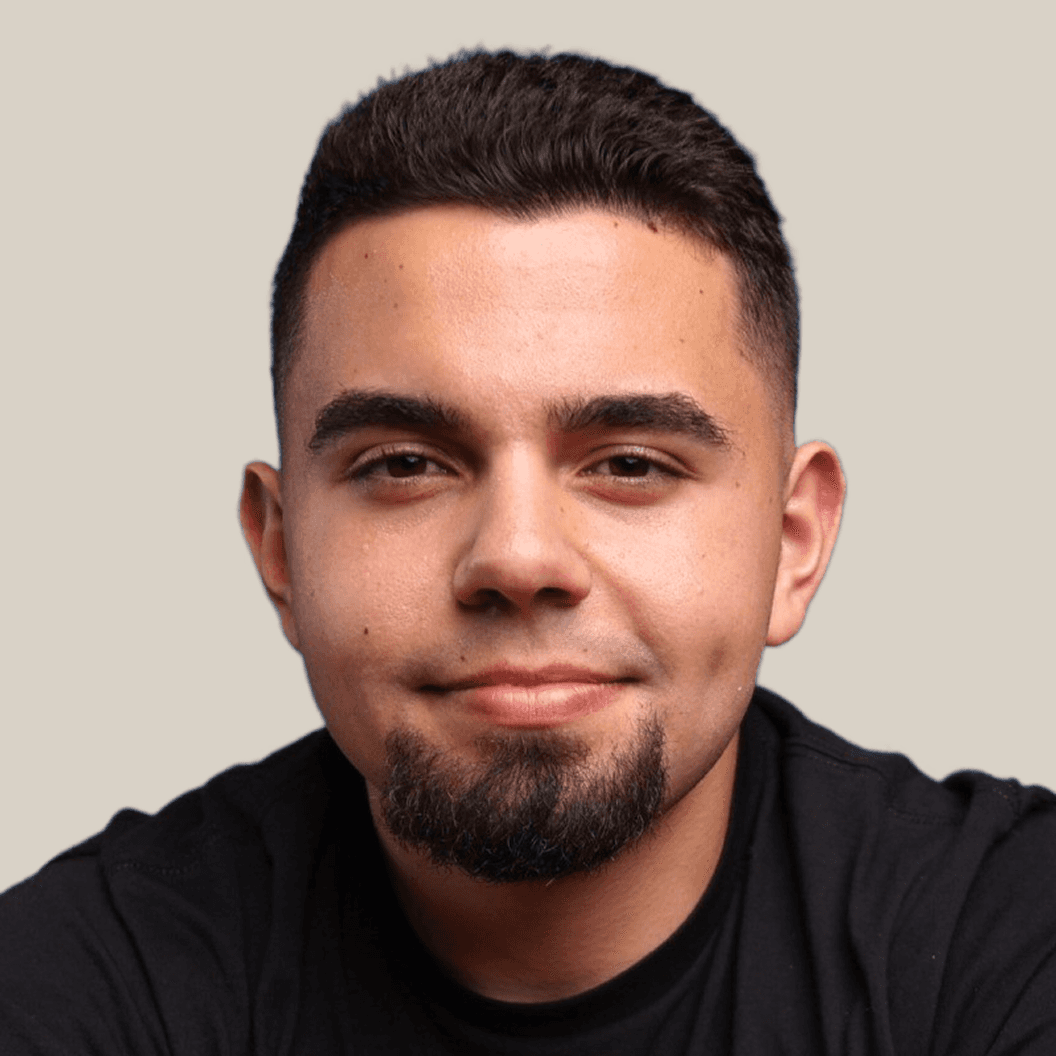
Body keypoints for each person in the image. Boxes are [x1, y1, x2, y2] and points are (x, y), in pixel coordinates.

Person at [1, 48, 1053, 1055]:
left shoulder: (1007, 939)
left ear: (793, 543)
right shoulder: (77, 981)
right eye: (406, 464)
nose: (517, 557)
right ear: (280, 550)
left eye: (630, 464)